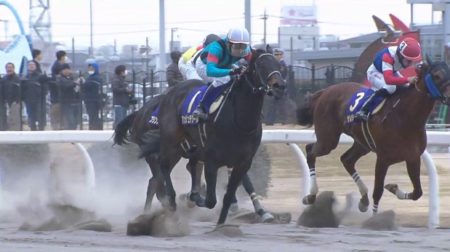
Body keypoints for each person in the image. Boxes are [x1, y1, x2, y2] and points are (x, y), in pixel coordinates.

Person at [354, 37, 421, 121]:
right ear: (400, 56)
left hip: (391, 71)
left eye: (412, 61)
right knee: (390, 88)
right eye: (409, 61)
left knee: (407, 86)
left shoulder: (403, 56)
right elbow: (388, 80)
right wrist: (408, 79)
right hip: (374, 73)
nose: (410, 64)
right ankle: (363, 110)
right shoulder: (388, 57)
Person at [192, 28, 252, 120]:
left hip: (224, 64)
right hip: (205, 65)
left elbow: (254, 61)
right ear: (228, 43)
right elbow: (211, 71)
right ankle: (201, 107)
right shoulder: (216, 48)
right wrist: (231, 72)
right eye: (236, 47)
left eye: (242, 47)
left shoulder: (246, 50)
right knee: (224, 78)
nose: (240, 51)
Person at [21, 61, 48, 131]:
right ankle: (33, 130)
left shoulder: (41, 76)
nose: (31, 66)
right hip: (29, 100)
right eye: (29, 65)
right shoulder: (25, 77)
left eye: (33, 65)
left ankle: (41, 130)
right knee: (31, 117)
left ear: (36, 66)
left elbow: (45, 88)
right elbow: (23, 89)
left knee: (40, 116)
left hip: (39, 100)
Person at [58, 63, 83, 130]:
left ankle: (73, 135)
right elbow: (67, 85)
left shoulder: (72, 77)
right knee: (70, 120)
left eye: (67, 69)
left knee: (75, 121)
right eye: (64, 69)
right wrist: (75, 83)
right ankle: (70, 135)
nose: (66, 71)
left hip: (75, 102)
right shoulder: (61, 79)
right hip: (66, 103)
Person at [82, 62, 103, 130]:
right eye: (89, 68)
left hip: (93, 100)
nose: (90, 70)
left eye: (92, 68)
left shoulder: (96, 78)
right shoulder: (89, 78)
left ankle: (94, 128)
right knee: (92, 115)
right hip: (90, 99)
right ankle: (93, 127)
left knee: (93, 115)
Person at [2, 63, 21, 130]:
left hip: (15, 102)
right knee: (7, 119)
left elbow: (20, 91)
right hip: (6, 102)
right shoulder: (4, 79)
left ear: (13, 68)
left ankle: (16, 135)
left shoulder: (17, 78)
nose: (9, 69)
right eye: (7, 68)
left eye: (10, 67)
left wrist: (17, 101)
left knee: (15, 119)